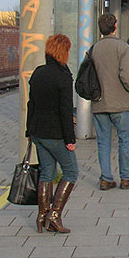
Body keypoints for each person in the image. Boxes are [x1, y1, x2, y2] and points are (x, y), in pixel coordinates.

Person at [26, 34, 78, 234]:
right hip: (55, 133)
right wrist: (70, 139)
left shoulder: (38, 73)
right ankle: (55, 215)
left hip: (38, 131)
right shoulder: (63, 77)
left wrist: (29, 131)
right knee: (71, 171)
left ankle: (42, 215)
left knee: (47, 172)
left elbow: (32, 104)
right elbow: (65, 111)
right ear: (64, 52)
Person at [91, 13, 129, 190]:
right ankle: (126, 177)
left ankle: (106, 178)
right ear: (115, 27)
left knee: (103, 142)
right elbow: (127, 76)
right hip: (120, 103)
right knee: (124, 140)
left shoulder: (94, 49)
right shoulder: (123, 48)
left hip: (99, 103)